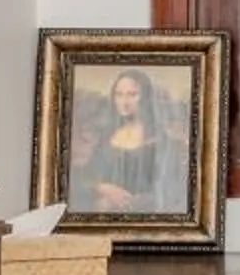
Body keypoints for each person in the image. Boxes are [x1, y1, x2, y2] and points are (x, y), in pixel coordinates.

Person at [73, 68, 187, 213]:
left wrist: (130, 202)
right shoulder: (106, 138)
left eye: (132, 94)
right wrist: (103, 189)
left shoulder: (162, 143)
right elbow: (89, 177)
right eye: (119, 95)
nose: (124, 102)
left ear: (145, 96)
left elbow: (170, 190)